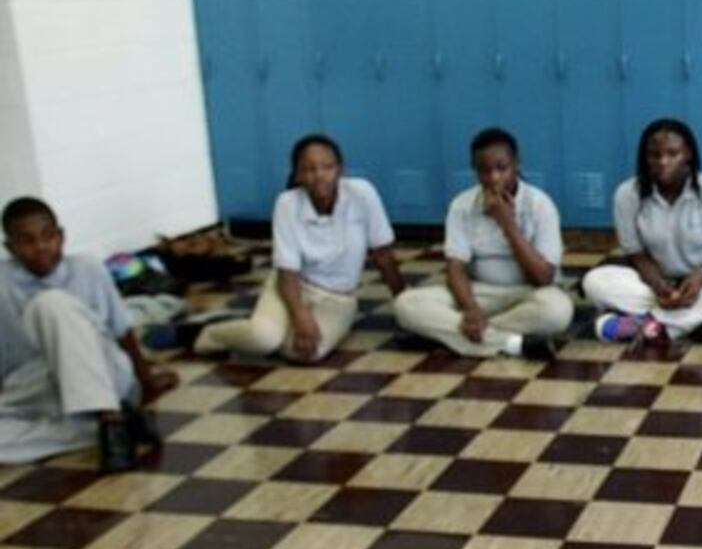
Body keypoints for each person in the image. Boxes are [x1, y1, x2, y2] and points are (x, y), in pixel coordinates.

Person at [1, 197, 178, 472]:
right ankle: (103, 431)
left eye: (48, 236)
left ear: (61, 237)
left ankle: (109, 418)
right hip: (40, 385)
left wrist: (146, 379)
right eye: (27, 241)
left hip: (103, 374)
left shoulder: (87, 268)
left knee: (51, 304)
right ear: (10, 248)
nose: (41, 247)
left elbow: (122, 330)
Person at [195, 134, 406, 362]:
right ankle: (210, 334)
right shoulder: (287, 204)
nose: (319, 176)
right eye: (309, 169)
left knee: (307, 351)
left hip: (338, 298)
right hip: (292, 287)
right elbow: (288, 271)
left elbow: (383, 256)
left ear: (340, 169)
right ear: (297, 174)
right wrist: (300, 314)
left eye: (327, 167)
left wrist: (403, 303)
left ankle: (259, 327)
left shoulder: (362, 194)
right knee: (263, 339)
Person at [582, 118, 702, 342]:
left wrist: (701, 277)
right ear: (644, 158)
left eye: (672, 154)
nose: (663, 162)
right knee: (595, 281)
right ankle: (699, 321)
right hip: (652, 285)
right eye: (654, 155)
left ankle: (655, 326)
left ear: (688, 154)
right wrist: (658, 284)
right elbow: (635, 254)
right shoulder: (627, 195)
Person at [394, 127, 573, 358]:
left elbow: (543, 277)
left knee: (558, 311)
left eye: (502, 168)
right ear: (475, 171)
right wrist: (470, 308)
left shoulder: (540, 205)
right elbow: (455, 268)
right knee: (406, 304)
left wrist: (507, 224)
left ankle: (456, 335)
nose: (494, 178)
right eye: (484, 171)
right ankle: (511, 343)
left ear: (516, 164)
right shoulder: (462, 205)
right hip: (479, 293)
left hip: (528, 293)